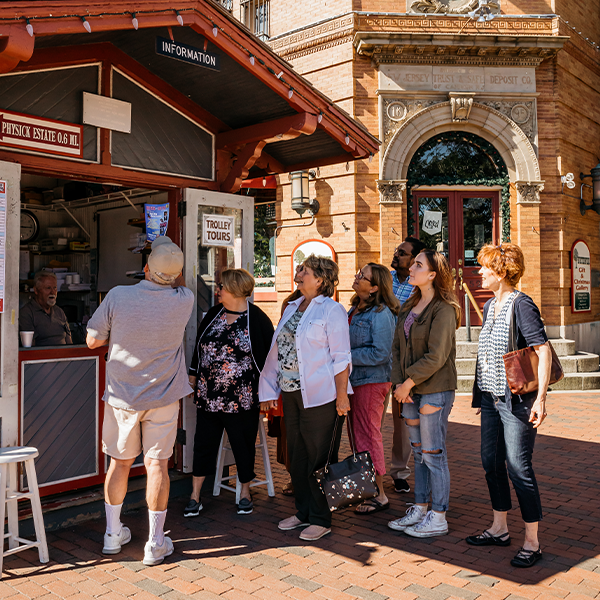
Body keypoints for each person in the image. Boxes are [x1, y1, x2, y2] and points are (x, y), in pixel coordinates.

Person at [86, 236, 193, 566]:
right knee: (157, 465)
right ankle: (155, 543)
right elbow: (173, 281)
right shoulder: (185, 299)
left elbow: (92, 341)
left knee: (119, 464)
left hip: (122, 396)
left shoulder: (119, 295)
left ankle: (112, 535)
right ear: (175, 275)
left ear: (145, 268)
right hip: (163, 397)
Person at [466, 243, 551, 569]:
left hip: (516, 402)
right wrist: (483, 394)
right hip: (491, 399)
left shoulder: (522, 305)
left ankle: (532, 541)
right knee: (491, 463)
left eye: (486, 267)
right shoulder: (490, 306)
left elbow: (541, 351)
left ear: (502, 272)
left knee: (519, 468)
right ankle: (499, 529)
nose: (481, 272)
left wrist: (540, 399)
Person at [259, 255, 351, 541]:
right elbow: (278, 351)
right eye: (299, 269)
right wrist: (268, 390)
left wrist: (341, 397)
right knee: (297, 455)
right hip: (291, 393)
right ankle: (303, 512)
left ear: (320, 280)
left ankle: (321, 517)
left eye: (304, 271)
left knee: (319, 457)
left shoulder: (331, 310)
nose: (298, 274)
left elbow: (341, 357)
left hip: (321, 395)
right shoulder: (292, 307)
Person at [185, 268, 274, 517]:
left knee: (243, 446)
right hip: (209, 396)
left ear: (235, 289)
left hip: (242, 399)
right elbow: (199, 347)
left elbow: (270, 360)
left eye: (222, 286)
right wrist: (193, 376)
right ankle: (195, 496)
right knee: (202, 446)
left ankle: (244, 492)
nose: (218, 290)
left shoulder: (257, 319)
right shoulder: (214, 314)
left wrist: (268, 394)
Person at [387, 250, 460, 538]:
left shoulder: (444, 309)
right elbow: (396, 349)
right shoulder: (409, 304)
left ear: (432, 274)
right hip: (409, 391)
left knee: (433, 454)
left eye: (418, 264)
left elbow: (436, 356)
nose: (412, 267)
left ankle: (438, 515)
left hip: (433, 390)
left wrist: (408, 383)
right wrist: (398, 384)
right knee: (418, 455)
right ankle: (420, 507)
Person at [348, 264, 400, 514]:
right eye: (358, 273)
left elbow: (381, 353)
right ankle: (367, 488)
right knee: (358, 436)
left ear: (376, 286)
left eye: (362, 277)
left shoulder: (381, 313)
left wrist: (345, 356)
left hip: (372, 381)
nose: (357, 278)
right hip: (355, 380)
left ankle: (379, 494)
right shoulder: (354, 307)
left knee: (369, 435)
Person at [388, 236, 427, 494]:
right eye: (397, 251)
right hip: (377, 359)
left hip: (402, 362)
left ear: (414, 260)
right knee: (369, 420)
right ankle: (368, 472)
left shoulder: (418, 287)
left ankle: (399, 471)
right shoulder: (383, 279)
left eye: (402, 253)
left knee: (402, 422)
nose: (396, 255)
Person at [19, 271, 72, 346]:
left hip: (63, 356)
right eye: (48, 288)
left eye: (55, 288)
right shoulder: (26, 313)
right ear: (36, 290)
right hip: (42, 356)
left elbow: (69, 342)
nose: (52, 292)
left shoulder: (59, 311)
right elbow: (29, 348)